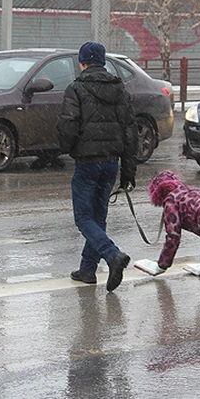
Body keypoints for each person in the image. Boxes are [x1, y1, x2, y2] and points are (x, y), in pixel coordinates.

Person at [56, 41, 138, 291]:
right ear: (103, 62)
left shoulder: (76, 88)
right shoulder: (120, 89)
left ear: (82, 63)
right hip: (111, 162)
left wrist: (66, 148)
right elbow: (130, 132)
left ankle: (112, 255)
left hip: (87, 163)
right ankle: (87, 269)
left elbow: (68, 125)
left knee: (83, 218)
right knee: (98, 216)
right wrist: (128, 172)